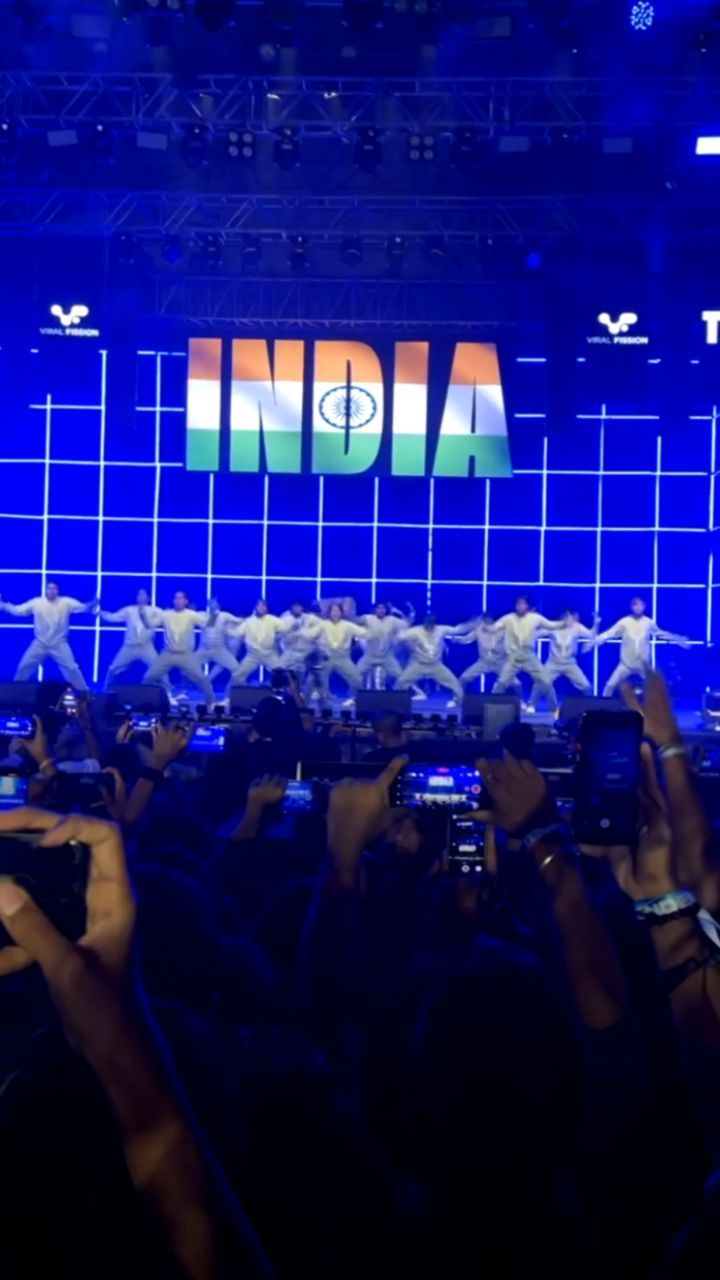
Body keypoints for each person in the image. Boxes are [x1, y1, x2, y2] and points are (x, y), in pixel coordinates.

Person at [587, 595, 691, 696]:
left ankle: (657, 707)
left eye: (640, 605)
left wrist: (678, 639)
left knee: (655, 688)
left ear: (644, 606)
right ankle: (603, 706)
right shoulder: (624, 622)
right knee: (609, 686)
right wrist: (593, 642)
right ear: (631, 607)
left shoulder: (648, 623)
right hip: (625, 665)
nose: (638, 607)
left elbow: (661, 634)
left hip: (643, 665)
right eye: (635, 605)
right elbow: (608, 634)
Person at [0, 581, 95, 689]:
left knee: (71, 668)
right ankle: (16, 690)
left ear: (58, 591)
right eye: (49, 588)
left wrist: (91, 604)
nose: (51, 591)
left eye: (54, 588)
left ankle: (84, 692)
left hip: (59, 643)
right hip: (40, 643)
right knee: (24, 666)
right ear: (45, 589)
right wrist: (4, 605)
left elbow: (82, 608)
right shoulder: (37, 602)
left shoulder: (66, 602)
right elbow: (18, 610)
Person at [490, 595, 566, 711]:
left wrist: (564, 622)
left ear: (527, 606)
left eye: (523, 603)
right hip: (513, 658)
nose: (520, 606)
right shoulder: (508, 618)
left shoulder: (535, 618)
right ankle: (490, 707)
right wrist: (485, 627)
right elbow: (495, 627)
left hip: (529, 656)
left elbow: (551, 625)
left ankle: (554, 708)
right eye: (518, 603)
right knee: (501, 683)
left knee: (546, 681)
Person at [140, 590, 215, 705]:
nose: (177, 601)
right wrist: (142, 614)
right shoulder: (166, 614)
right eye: (175, 598)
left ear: (186, 601)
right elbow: (150, 625)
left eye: (180, 598)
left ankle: (211, 704)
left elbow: (209, 624)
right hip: (168, 654)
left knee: (202, 679)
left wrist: (214, 612)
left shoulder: (191, 615)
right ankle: (143, 702)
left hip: (186, 655)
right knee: (148, 677)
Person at [529, 609, 600, 710]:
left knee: (586, 686)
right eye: (569, 617)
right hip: (553, 663)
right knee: (540, 683)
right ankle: (532, 705)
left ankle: (591, 707)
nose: (573, 620)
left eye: (573, 617)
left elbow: (591, 635)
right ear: (563, 617)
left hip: (570, 664)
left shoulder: (577, 627)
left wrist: (596, 623)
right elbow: (537, 634)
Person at [395, 614, 467, 705]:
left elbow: (457, 630)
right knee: (401, 682)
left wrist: (473, 623)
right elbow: (400, 637)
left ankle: (458, 702)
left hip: (436, 666)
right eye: (428, 623)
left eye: (432, 624)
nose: (429, 626)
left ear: (434, 624)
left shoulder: (441, 629)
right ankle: (397, 704)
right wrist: (399, 627)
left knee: (455, 684)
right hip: (419, 665)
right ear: (424, 623)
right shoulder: (416, 631)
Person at [101, 588, 165, 689]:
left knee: (159, 668)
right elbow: (112, 617)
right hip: (129, 646)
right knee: (113, 668)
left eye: (144, 595)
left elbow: (166, 617)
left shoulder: (155, 611)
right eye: (139, 595)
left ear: (148, 598)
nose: (141, 597)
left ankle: (168, 692)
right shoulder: (129, 610)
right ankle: (106, 690)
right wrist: (99, 612)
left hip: (146, 646)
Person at [310, 602, 367, 703]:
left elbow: (363, 632)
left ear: (341, 612)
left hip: (343, 658)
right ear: (329, 612)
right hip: (327, 657)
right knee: (318, 677)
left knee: (357, 679)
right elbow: (309, 635)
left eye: (337, 611)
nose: (335, 613)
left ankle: (355, 698)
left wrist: (374, 632)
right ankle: (323, 698)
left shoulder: (348, 625)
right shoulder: (323, 624)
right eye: (333, 611)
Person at [450, 612, 521, 693]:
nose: (486, 624)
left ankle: (521, 699)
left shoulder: (502, 630)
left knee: (516, 684)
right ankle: (457, 697)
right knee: (464, 678)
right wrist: (458, 640)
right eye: (485, 621)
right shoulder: (478, 629)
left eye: (489, 621)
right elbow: (467, 639)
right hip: (483, 662)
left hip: (500, 663)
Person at [233, 599, 293, 684]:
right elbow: (237, 633)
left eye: (264, 606)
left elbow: (285, 628)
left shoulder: (272, 619)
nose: (262, 608)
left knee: (281, 672)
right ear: (255, 607)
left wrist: (278, 636)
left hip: (269, 654)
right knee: (238, 675)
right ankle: (233, 692)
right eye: (260, 606)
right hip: (253, 655)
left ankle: (279, 691)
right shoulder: (248, 621)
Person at [355, 602, 414, 689]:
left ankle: (401, 694)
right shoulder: (367, 618)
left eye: (383, 608)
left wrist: (412, 612)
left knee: (400, 676)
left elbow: (406, 623)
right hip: (370, 655)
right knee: (355, 675)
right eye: (378, 608)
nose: (381, 610)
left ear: (386, 610)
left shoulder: (392, 620)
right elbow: (355, 621)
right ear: (375, 610)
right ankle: (353, 695)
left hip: (387, 657)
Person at [199, 597, 245, 692]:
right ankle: (186, 690)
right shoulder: (203, 616)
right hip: (205, 649)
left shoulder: (224, 616)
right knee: (188, 667)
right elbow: (209, 628)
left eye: (214, 603)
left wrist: (247, 620)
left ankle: (231, 690)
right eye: (210, 604)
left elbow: (238, 621)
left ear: (218, 605)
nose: (213, 605)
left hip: (219, 650)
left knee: (236, 669)